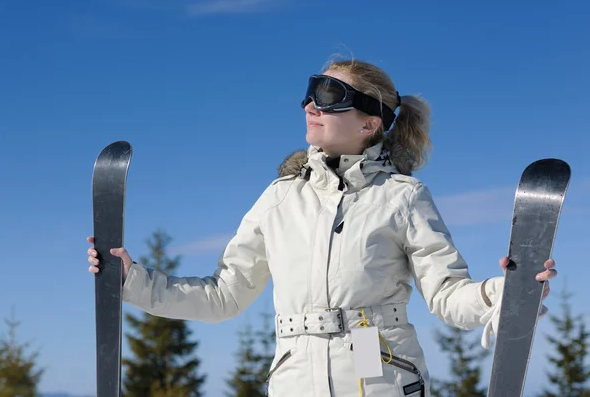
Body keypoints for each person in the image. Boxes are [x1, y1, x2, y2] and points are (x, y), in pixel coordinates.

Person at [86, 58, 557, 397]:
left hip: (382, 378)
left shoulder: (403, 196)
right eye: (312, 90)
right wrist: (132, 282)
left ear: (369, 123)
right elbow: (224, 296)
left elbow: (447, 294)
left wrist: (503, 296)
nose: (312, 104)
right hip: (295, 381)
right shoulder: (280, 197)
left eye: (331, 96)